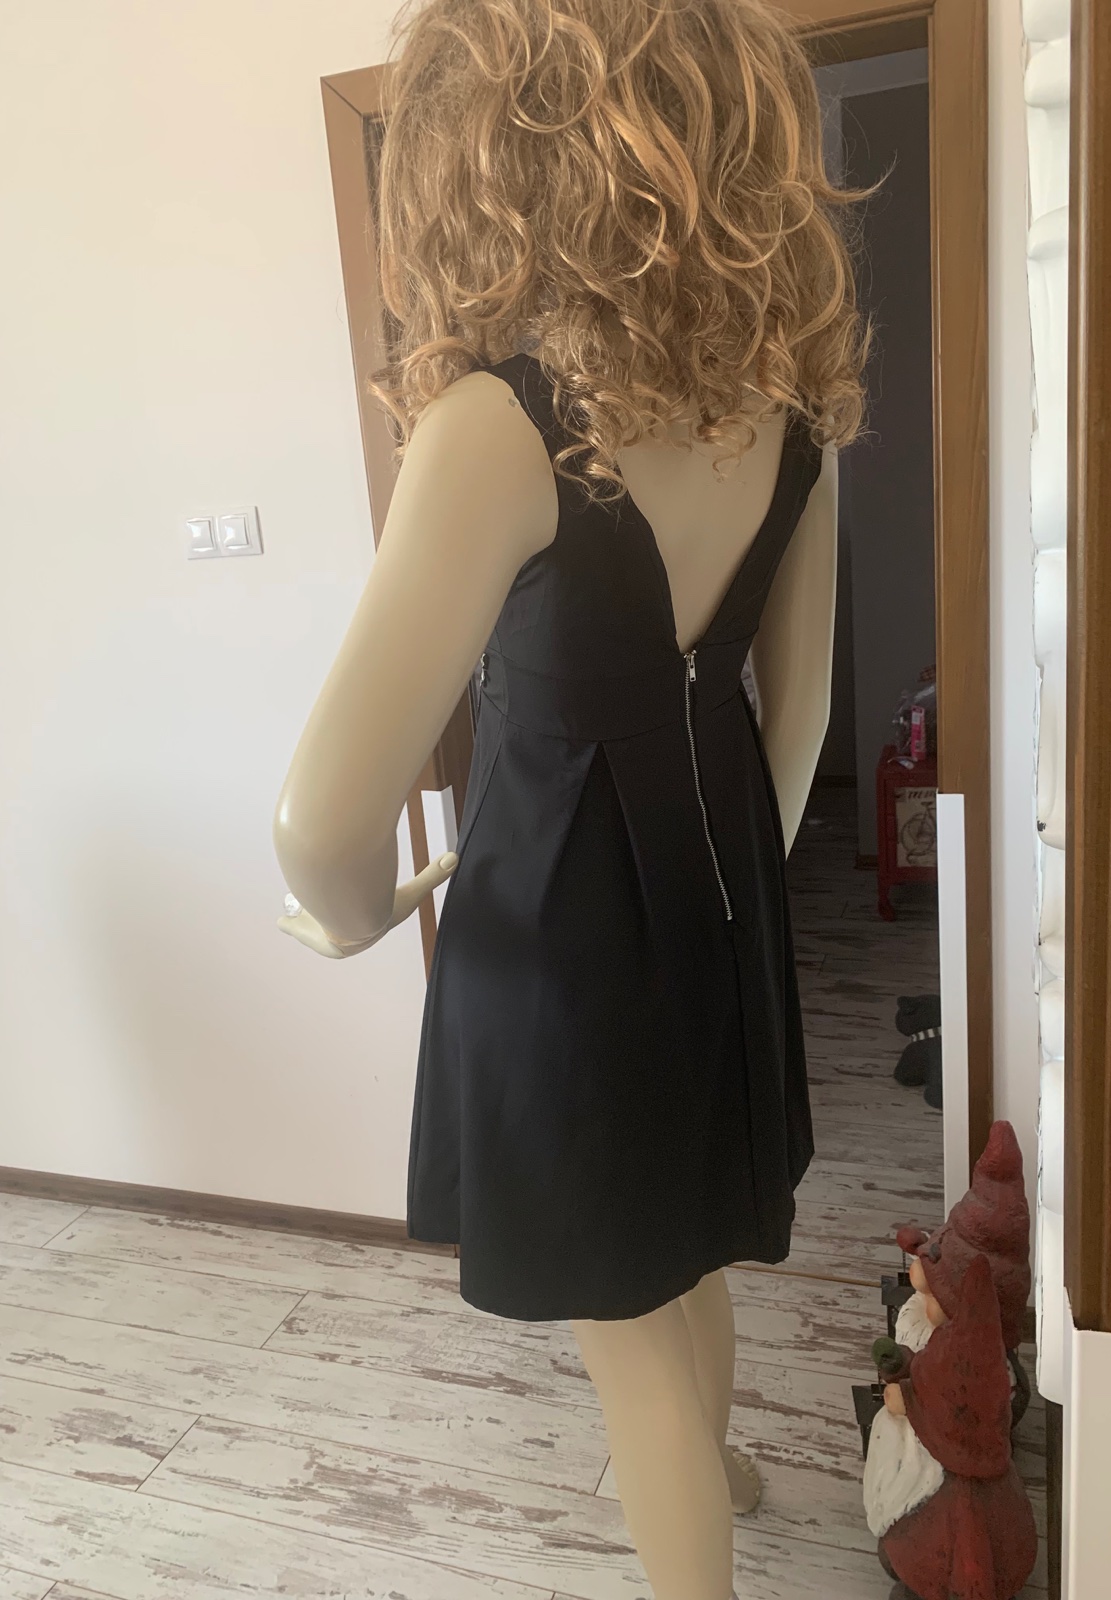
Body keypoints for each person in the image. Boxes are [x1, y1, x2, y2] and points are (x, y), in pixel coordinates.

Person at [273, 3, 866, 1596]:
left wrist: (355, 916)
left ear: (490, 150)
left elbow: (320, 822)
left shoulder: (494, 426)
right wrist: (728, 891)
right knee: (679, 1247)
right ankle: (722, 1468)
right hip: (718, 892)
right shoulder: (789, 418)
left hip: (559, 940)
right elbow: (801, 715)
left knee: (627, 1329)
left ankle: (696, 1522)